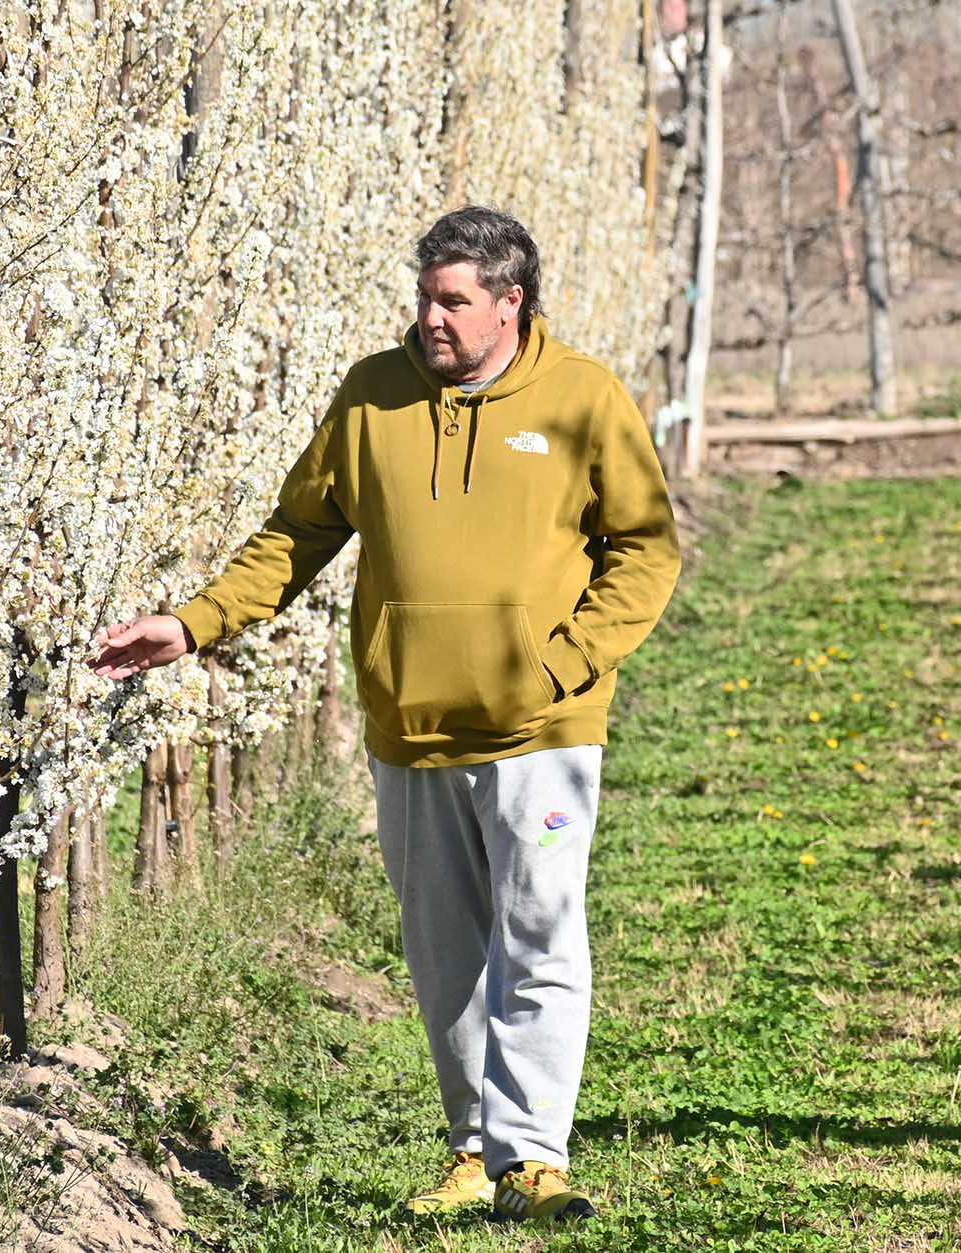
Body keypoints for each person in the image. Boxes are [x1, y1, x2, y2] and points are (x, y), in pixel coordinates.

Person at [90, 205, 680, 1225]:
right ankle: (471, 1149)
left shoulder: (583, 399)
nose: (433, 318)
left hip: (543, 728)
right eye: (425, 298)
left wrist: (568, 660)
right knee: (445, 951)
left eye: (454, 301)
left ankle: (535, 1154)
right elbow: (298, 533)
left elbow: (645, 548)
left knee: (540, 933)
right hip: (411, 728)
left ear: (510, 303)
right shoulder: (373, 395)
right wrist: (193, 624)